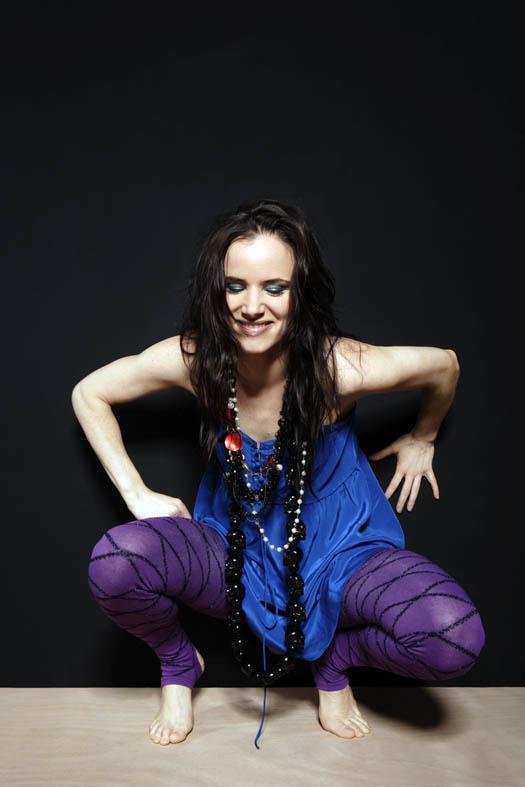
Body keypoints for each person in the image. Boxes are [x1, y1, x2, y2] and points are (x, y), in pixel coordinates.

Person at [73, 198, 485, 749]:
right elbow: (90, 392)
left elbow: (445, 364)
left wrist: (423, 437)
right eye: (235, 286)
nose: (252, 306)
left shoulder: (342, 368)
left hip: (343, 551)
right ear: (216, 291)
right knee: (115, 564)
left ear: (300, 293)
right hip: (234, 549)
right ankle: (178, 664)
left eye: (275, 287)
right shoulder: (197, 361)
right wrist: (136, 492)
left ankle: (336, 662)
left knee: (452, 638)